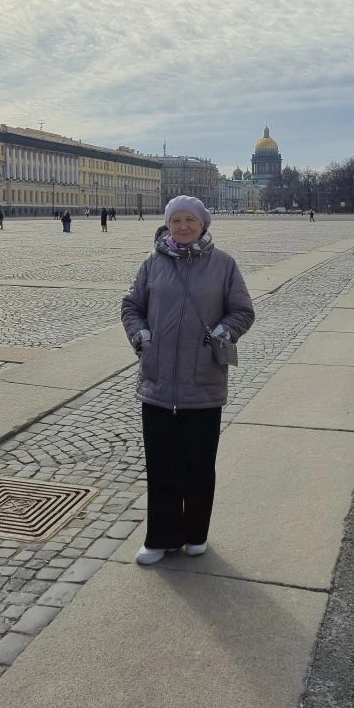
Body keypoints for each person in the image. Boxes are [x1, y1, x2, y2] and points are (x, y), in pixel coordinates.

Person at [121, 195, 255, 566]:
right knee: (161, 465)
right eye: (176, 220)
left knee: (198, 465)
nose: (182, 227)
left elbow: (242, 310)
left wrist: (223, 334)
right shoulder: (151, 264)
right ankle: (160, 538)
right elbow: (131, 306)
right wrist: (141, 337)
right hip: (158, 382)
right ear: (168, 224)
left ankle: (196, 533)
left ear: (203, 225)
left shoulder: (224, 264)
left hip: (204, 382)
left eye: (189, 221)